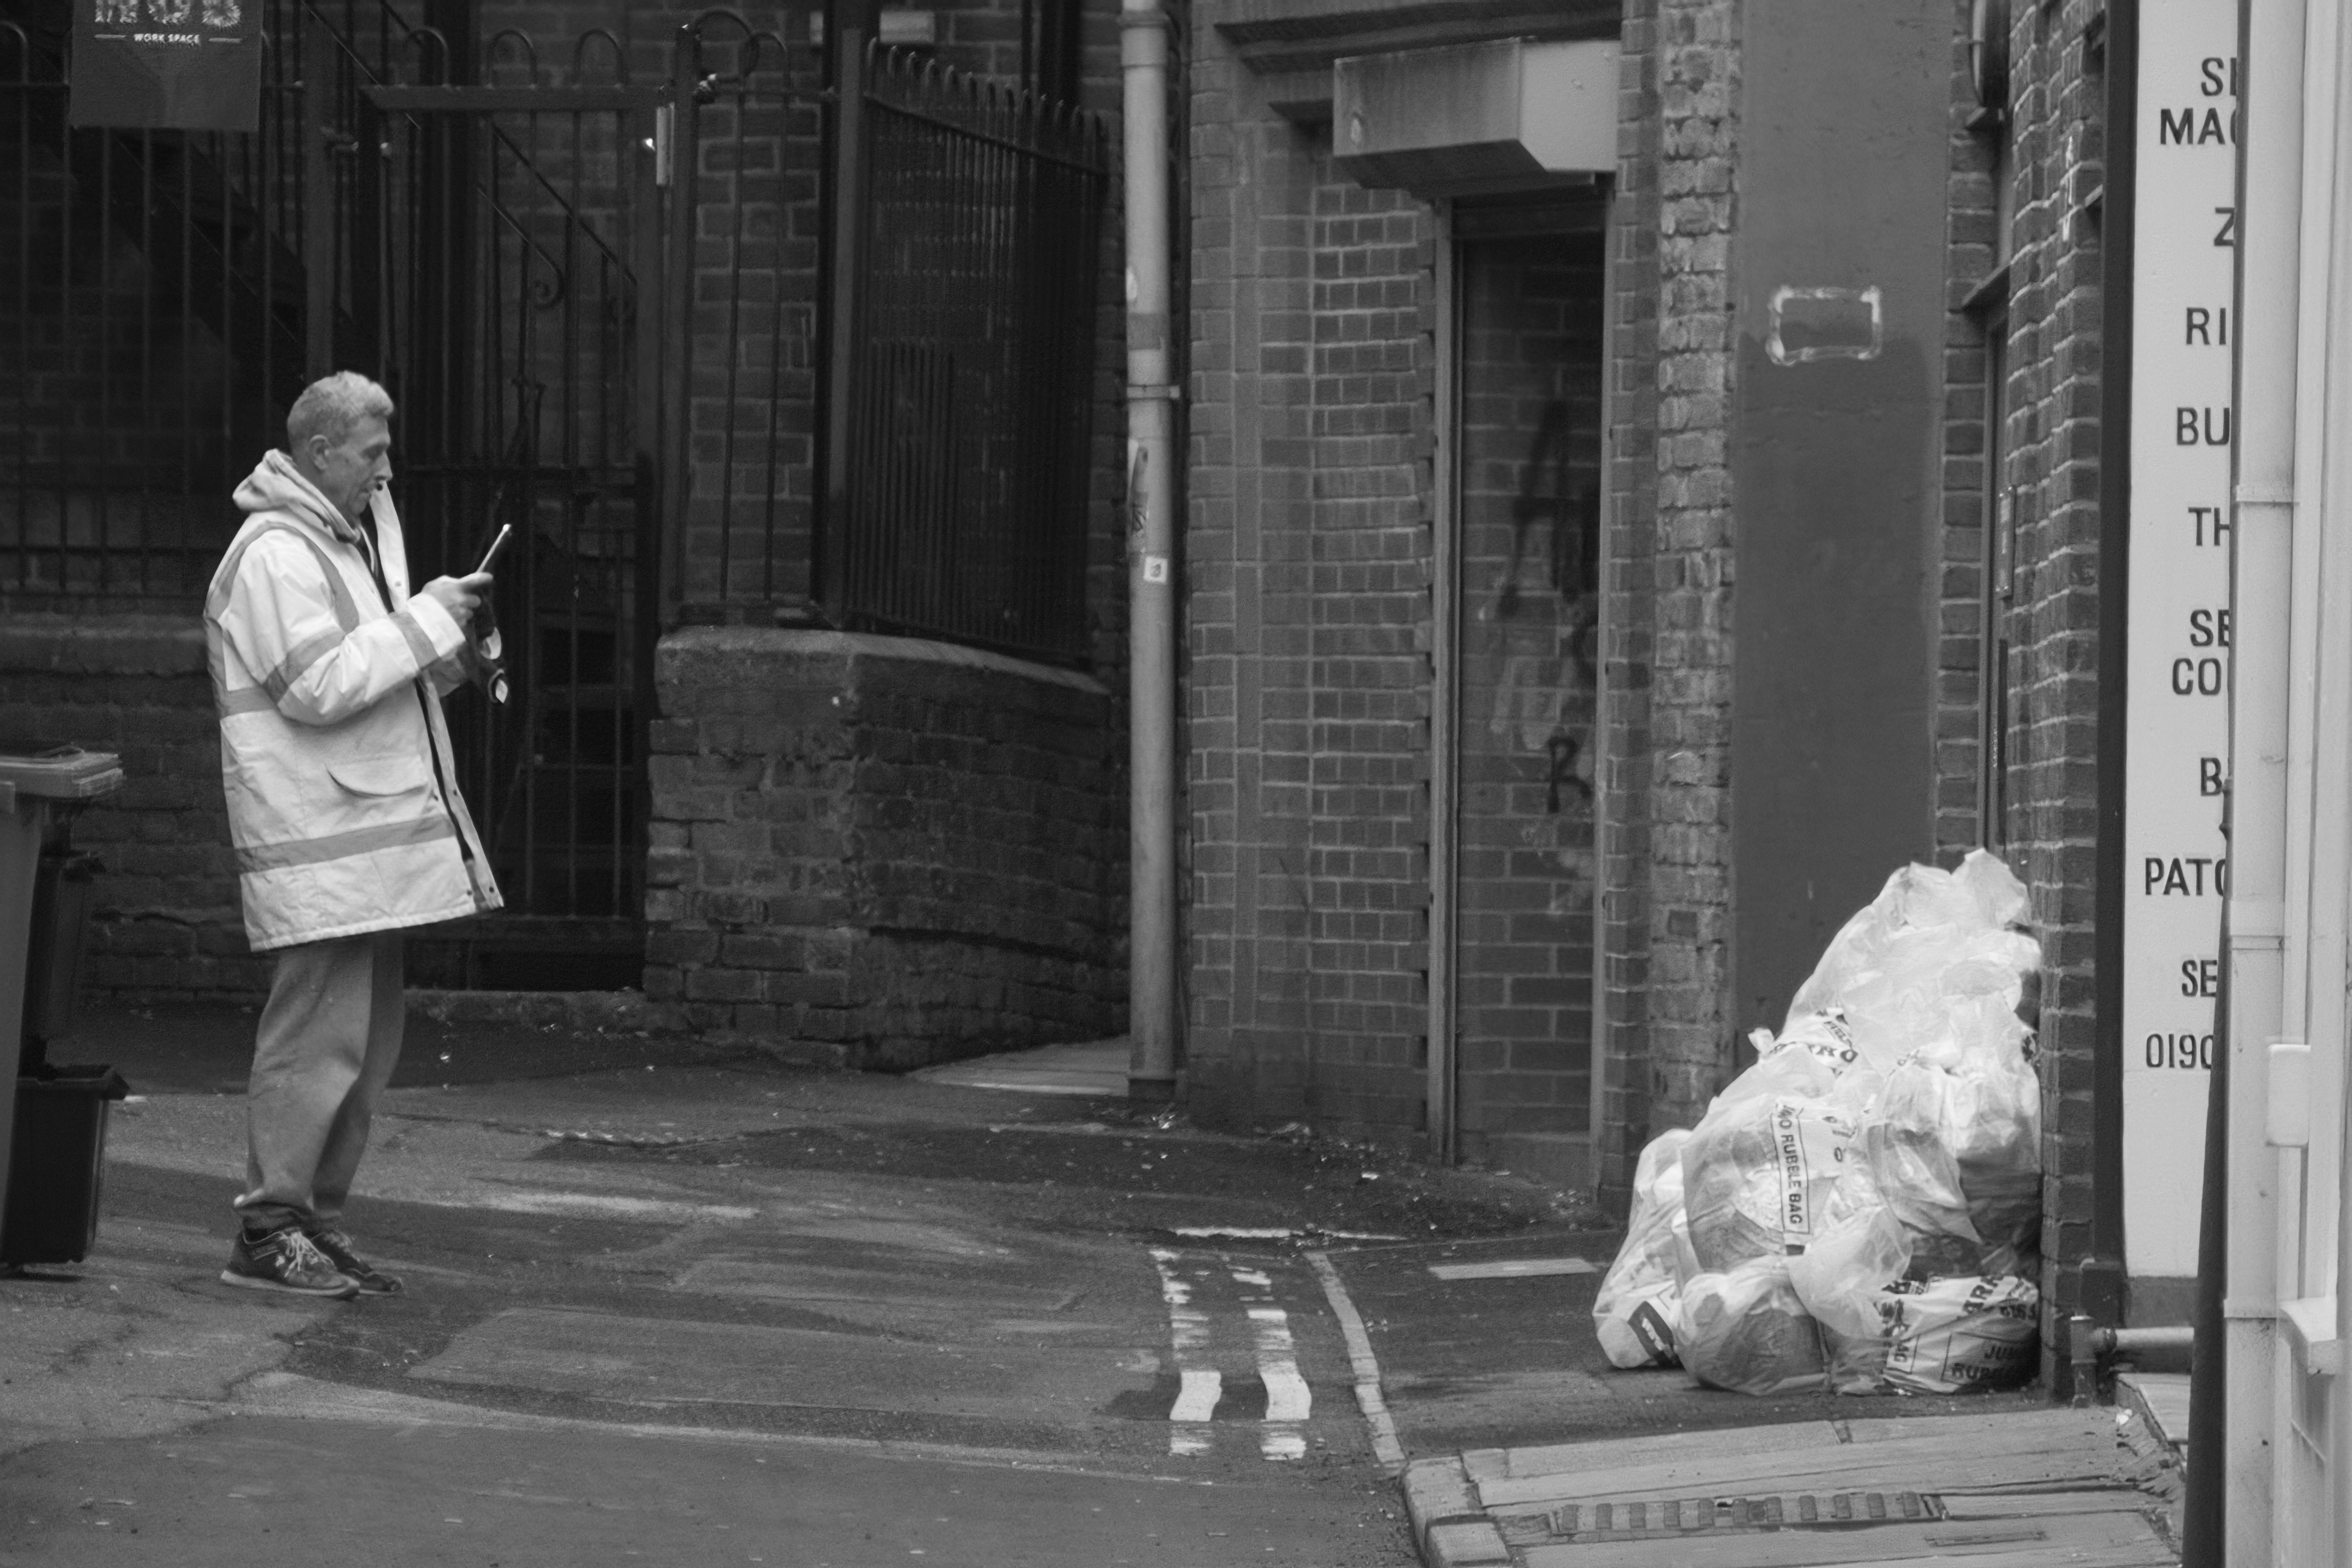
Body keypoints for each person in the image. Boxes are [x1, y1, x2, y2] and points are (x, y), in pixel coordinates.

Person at [203, 372, 503, 1298]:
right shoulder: (275, 552)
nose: (386, 470)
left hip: (356, 847)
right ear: (321, 450)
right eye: (373, 452)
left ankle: (312, 1224)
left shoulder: (337, 543)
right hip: (325, 848)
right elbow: (317, 686)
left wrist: (445, 649)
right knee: (316, 1045)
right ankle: (270, 1228)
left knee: (360, 1054)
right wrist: (425, 621)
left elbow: (361, 680)